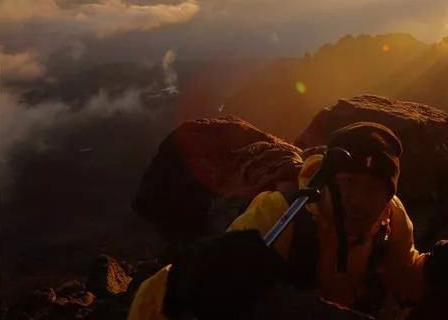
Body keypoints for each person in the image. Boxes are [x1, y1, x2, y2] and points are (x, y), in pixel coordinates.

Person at [128, 122, 427, 320]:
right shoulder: (281, 215)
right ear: (326, 182)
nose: (358, 199)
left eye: (373, 188)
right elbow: (223, 285)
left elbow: (406, 271)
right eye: (349, 182)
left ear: (388, 197)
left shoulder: (391, 219)